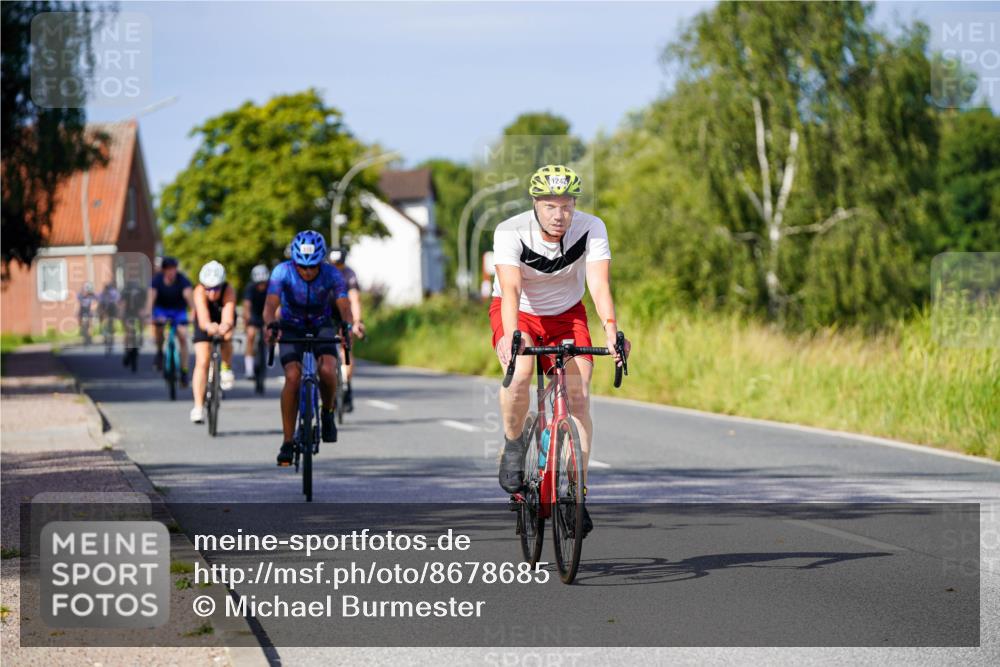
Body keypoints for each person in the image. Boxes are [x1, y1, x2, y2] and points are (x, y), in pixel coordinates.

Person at [490, 165, 631, 539]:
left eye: (566, 205)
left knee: (578, 395)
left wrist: (613, 332)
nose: (559, 214)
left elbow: (599, 285)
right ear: (535, 204)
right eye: (550, 206)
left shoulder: (591, 227)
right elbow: (511, 289)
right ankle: (514, 441)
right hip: (519, 312)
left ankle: (576, 495)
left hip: (568, 315)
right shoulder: (510, 231)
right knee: (520, 375)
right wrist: (513, 334)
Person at [263, 230, 352, 466]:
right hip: (291, 326)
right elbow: (271, 303)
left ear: (321, 261)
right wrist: (270, 324)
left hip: (321, 324)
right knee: (293, 376)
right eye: (302, 266)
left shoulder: (332, 273)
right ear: (294, 260)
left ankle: (328, 412)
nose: (308, 271)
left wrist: (347, 325)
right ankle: (287, 441)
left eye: (313, 266)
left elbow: (344, 302)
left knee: (328, 369)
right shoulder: (282, 271)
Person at [189, 261, 237, 423]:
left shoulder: (228, 290)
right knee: (202, 360)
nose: (211, 293)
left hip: (222, 317)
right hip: (206, 321)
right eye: (208, 288)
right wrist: (209, 326)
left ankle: (225, 367)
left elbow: (229, 316)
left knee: (228, 336)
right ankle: (198, 406)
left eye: (216, 288)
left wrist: (224, 326)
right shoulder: (199, 291)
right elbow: (202, 319)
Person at [327, 247, 365, 411]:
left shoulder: (349, 274)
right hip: (326, 312)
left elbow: (354, 299)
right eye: (334, 264)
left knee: (346, 348)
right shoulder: (321, 273)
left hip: (344, 312)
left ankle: (346, 384)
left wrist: (357, 321)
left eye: (340, 265)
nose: (337, 268)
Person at [147, 257, 194, 386]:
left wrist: (193, 313)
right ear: (163, 270)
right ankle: (159, 352)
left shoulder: (182, 280)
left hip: (179, 311)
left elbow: (189, 296)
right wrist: (149, 314)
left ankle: (184, 371)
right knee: (158, 328)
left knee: (183, 337)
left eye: (173, 269)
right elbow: (151, 298)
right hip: (161, 310)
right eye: (168, 269)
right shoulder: (157, 280)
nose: (171, 272)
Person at [242, 264, 270, 380]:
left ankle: (267, 357)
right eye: (259, 284)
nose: (261, 286)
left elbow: (276, 305)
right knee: (251, 336)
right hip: (253, 315)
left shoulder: (271, 288)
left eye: (263, 283)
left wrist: (270, 323)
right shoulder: (250, 288)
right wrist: (247, 322)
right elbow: (247, 306)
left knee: (268, 334)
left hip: (266, 313)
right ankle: (249, 369)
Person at [120, 279, 147, 364]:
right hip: (129, 313)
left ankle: (141, 335)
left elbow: (145, 303)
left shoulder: (141, 291)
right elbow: (123, 304)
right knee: (128, 331)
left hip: (137, 312)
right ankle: (127, 349)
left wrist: (145, 312)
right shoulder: (125, 292)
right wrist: (121, 314)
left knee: (140, 323)